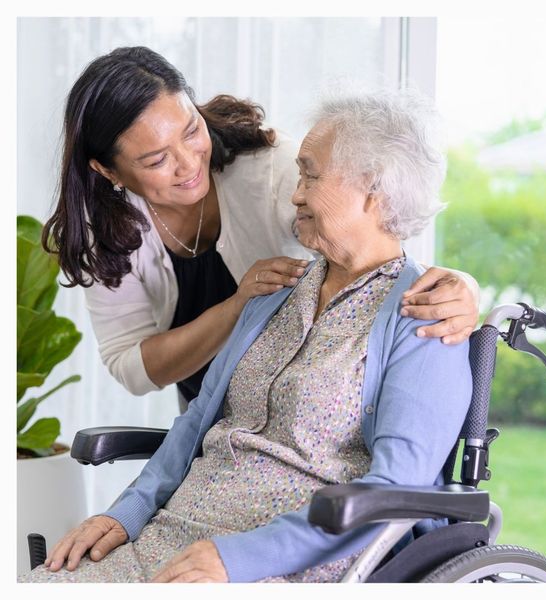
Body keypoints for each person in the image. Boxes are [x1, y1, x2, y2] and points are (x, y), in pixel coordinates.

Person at [22, 86, 473, 583]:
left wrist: (238, 559)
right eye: (298, 172)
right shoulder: (275, 291)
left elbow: (395, 486)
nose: (296, 192)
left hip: (290, 559)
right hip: (176, 533)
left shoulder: (425, 315)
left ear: (375, 190)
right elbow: (196, 421)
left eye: (311, 175)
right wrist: (123, 514)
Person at [41, 46, 479, 410]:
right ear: (108, 171)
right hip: (215, 424)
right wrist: (237, 308)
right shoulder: (102, 231)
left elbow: (379, 240)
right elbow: (132, 367)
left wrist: (460, 287)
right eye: (156, 160)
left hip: (299, 410)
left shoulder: (272, 170)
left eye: (192, 130)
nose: (190, 162)